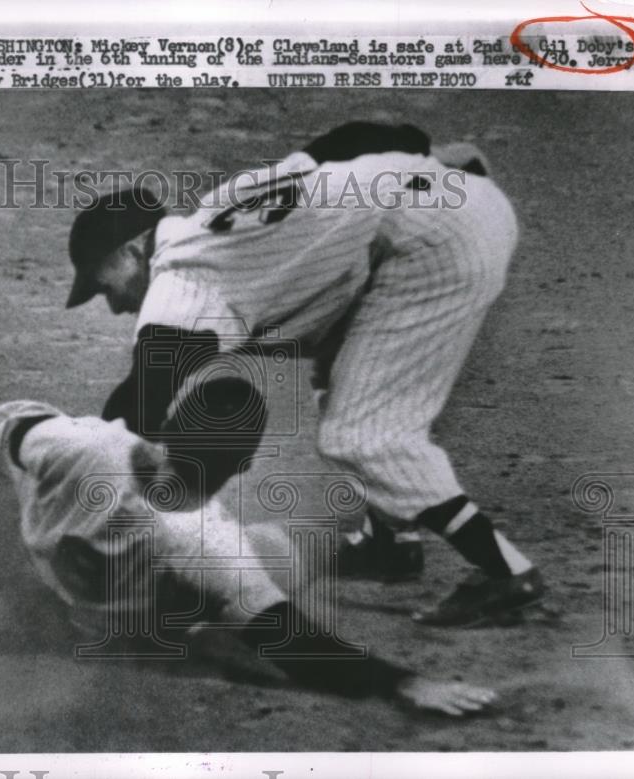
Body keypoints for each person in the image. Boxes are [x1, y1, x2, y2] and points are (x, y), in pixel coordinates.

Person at [62, 121, 544, 627]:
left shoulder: (180, 279)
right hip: (455, 204)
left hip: (435, 250)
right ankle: (393, 543)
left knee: (363, 436)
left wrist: (97, 507)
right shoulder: (220, 206)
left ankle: (506, 572)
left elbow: (142, 397)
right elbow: (342, 144)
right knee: (339, 367)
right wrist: (431, 153)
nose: (114, 305)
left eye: (104, 286)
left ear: (133, 250)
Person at [0, 400, 497, 716]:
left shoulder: (201, 535)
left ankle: (362, 547)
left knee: (258, 564)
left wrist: (399, 681)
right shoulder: (69, 451)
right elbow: (2, 451)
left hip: (115, 578)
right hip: (18, 495)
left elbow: (287, 639)